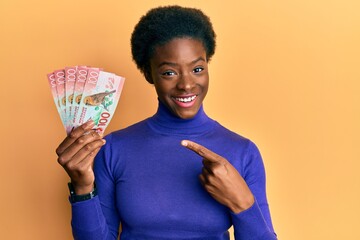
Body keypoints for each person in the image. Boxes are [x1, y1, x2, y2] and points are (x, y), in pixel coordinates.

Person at [56, 5, 277, 240]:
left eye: (198, 69)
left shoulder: (243, 152)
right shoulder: (112, 148)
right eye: (169, 73)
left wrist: (242, 202)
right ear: (148, 74)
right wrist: (82, 188)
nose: (187, 85)